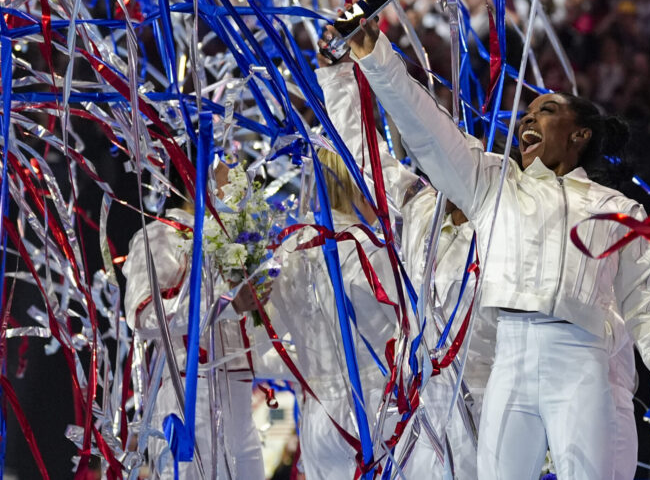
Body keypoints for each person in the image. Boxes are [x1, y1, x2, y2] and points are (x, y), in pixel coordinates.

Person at [339, 17, 650, 479]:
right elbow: (427, 127)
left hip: (579, 359)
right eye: (526, 113)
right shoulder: (492, 186)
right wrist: (376, 54)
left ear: (580, 134)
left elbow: (646, 310)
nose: (528, 118)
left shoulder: (618, 211)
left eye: (546, 110)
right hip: (508, 357)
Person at [314, 48, 493, 478]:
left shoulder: (501, 227)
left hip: (491, 410)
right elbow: (360, 150)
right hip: (424, 413)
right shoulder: (418, 207)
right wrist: (340, 73)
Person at [122, 158, 266, 479]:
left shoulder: (234, 237)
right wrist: (225, 303)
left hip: (242, 398)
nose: (236, 174)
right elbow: (143, 314)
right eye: (225, 163)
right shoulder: (160, 235)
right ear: (195, 174)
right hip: (192, 394)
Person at [266, 148, 399, 480]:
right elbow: (409, 328)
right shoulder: (366, 245)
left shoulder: (288, 251)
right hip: (374, 412)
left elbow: (262, 342)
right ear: (360, 183)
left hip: (318, 419)